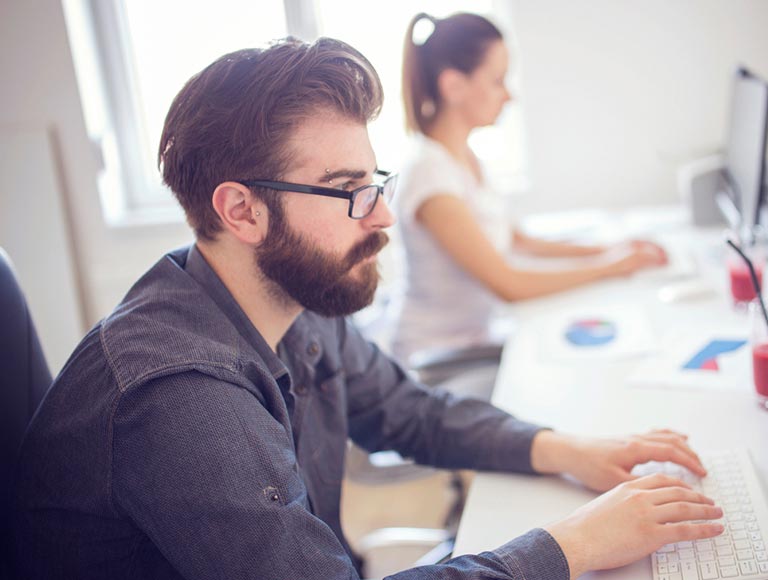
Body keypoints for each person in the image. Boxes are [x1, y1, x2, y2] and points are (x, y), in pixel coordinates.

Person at [14, 37, 723, 580]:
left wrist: (569, 450)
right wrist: (571, 545)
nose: (383, 216)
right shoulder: (177, 398)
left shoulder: (297, 293)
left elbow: (409, 411)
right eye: (348, 189)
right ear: (242, 211)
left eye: (374, 180)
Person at [390, 12, 669, 364]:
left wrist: (606, 250)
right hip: (438, 357)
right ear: (453, 87)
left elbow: (519, 241)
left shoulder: (464, 156)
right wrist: (611, 267)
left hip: (478, 338)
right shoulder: (430, 175)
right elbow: (510, 285)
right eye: (497, 81)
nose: (509, 96)